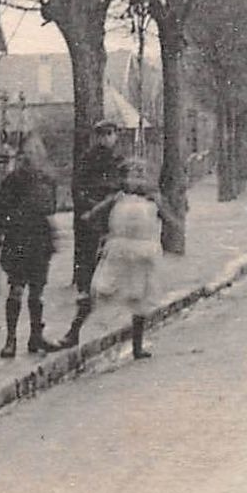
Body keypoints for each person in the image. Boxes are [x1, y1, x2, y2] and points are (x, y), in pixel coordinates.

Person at [84, 168, 178, 359]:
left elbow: (170, 220)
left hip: (142, 253)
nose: (136, 182)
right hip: (120, 250)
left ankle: (137, 346)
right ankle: (79, 329)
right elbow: (94, 214)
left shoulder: (152, 201)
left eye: (140, 177)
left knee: (139, 299)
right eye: (132, 177)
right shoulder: (118, 198)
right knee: (103, 288)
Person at [56, 119, 126, 348]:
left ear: (116, 136)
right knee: (91, 279)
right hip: (93, 223)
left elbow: (124, 189)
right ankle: (74, 331)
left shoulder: (120, 161)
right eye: (102, 134)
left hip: (117, 225)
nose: (106, 138)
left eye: (110, 133)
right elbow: (78, 188)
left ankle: (129, 336)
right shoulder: (88, 159)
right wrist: (92, 206)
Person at [0, 133, 59, 359]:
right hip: (18, 241)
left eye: (36, 151)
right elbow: (0, 210)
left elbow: (51, 208)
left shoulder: (48, 181)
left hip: (40, 242)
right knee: (16, 289)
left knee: (37, 292)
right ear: (20, 156)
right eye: (28, 152)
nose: (32, 156)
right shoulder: (12, 181)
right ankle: (10, 339)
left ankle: (35, 336)